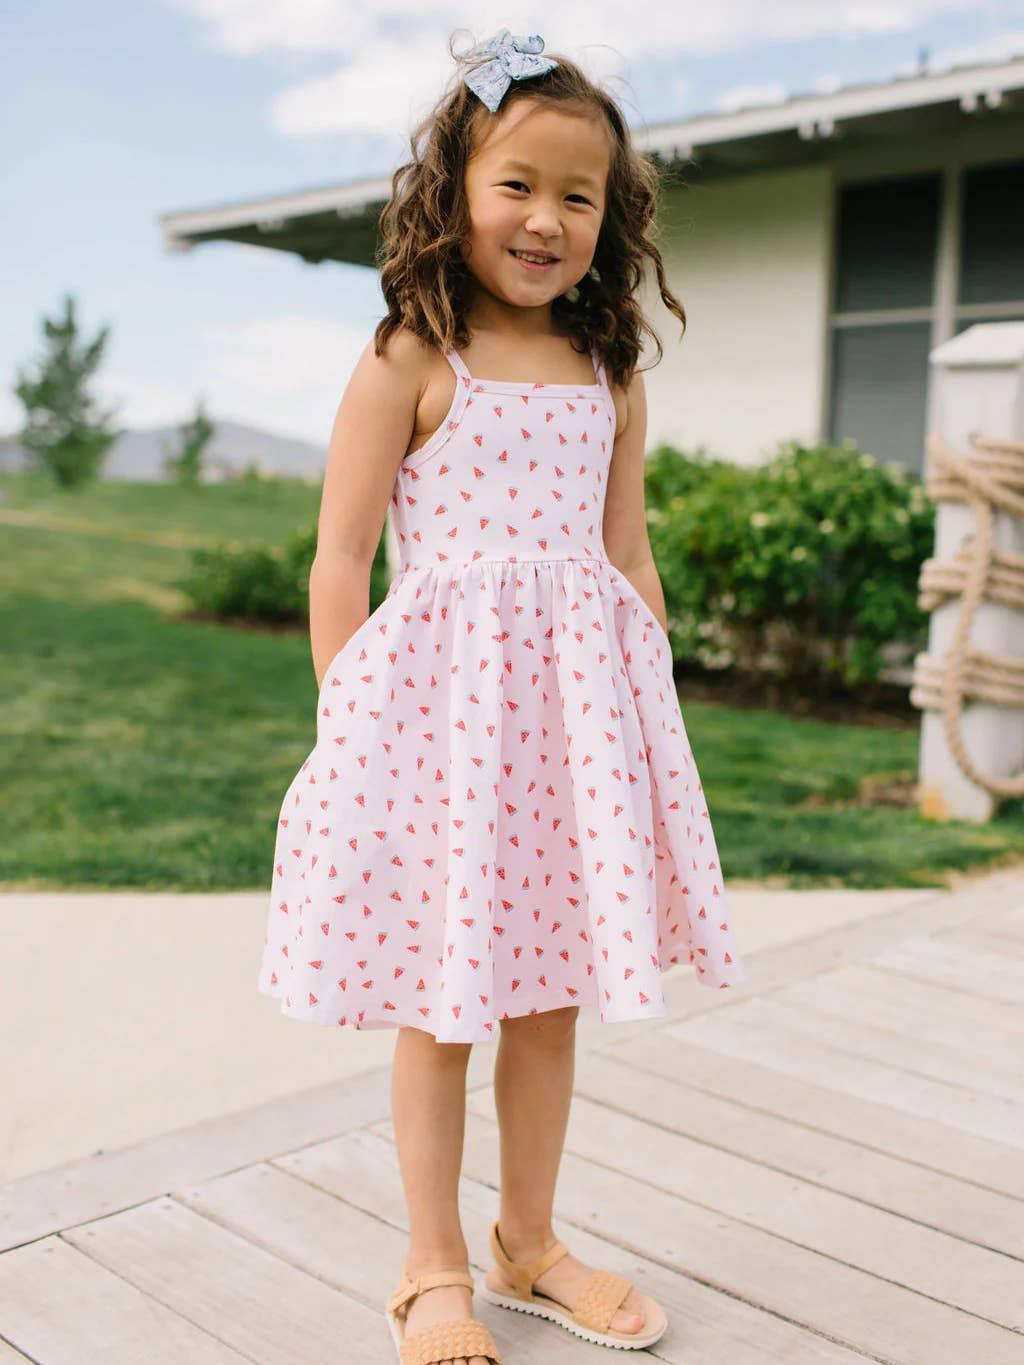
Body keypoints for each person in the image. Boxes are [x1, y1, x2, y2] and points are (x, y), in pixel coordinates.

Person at [258, 26, 746, 1365]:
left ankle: (528, 1242)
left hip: (576, 733)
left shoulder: (610, 374)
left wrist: (654, 721)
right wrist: (347, 729)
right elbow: (339, 560)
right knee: (445, 999)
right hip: (442, 740)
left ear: (613, 217)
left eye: (577, 196)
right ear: (454, 192)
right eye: (517, 185)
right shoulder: (414, 358)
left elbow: (624, 551)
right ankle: (432, 1266)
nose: (545, 218)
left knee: (549, 1000)